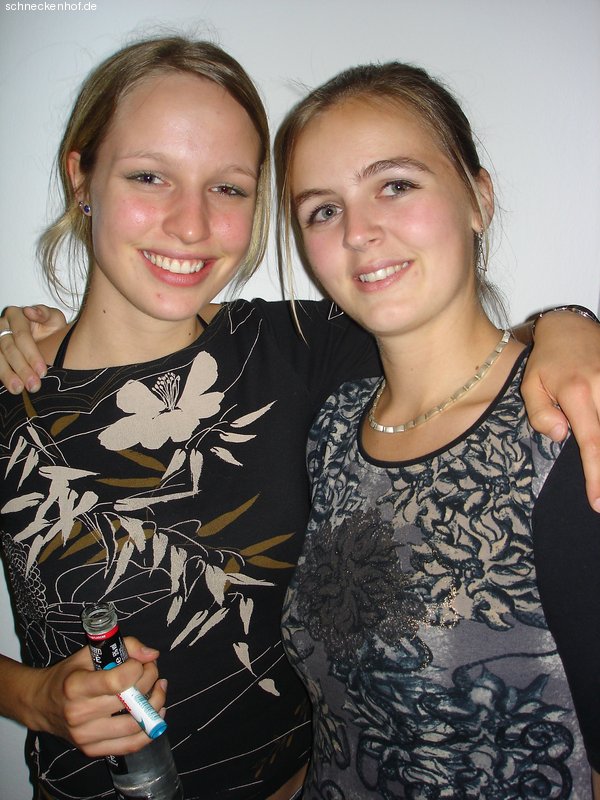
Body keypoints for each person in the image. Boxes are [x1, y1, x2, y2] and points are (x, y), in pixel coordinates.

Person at [1, 36, 600, 800]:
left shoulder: (300, 351)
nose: (190, 224)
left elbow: (451, 343)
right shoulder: (11, 399)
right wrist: (34, 699)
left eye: (228, 187)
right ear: (81, 176)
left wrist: (569, 324)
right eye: (149, 176)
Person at [276, 62, 600, 798]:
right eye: (323, 210)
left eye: (395, 184)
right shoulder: (333, 428)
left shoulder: (563, 428)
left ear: (478, 199)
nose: (359, 232)